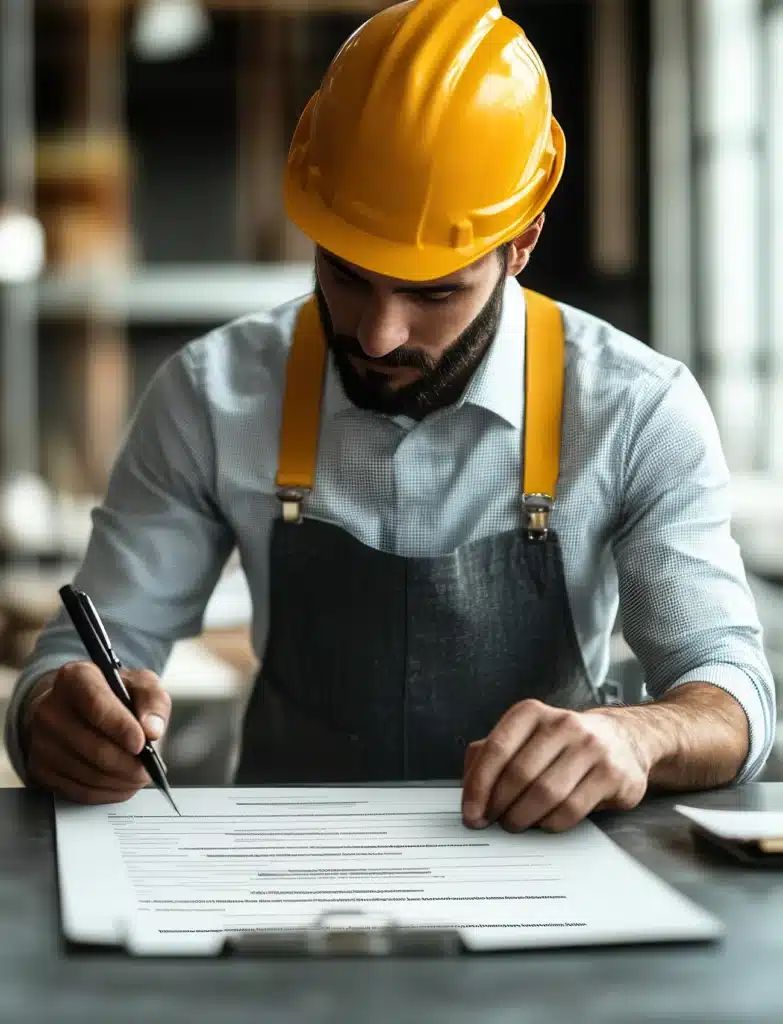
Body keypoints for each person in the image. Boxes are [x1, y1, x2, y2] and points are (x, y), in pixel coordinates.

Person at [6, 0, 775, 834]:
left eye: (433, 292)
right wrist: (57, 715)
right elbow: (79, 656)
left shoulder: (633, 406)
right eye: (346, 275)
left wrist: (639, 735)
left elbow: (730, 691)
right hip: (282, 870)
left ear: (520, 244)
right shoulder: (208, 394)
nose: (377, 335)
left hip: (542, 878)